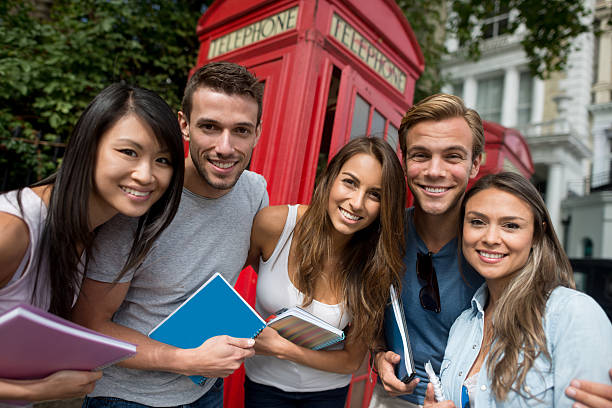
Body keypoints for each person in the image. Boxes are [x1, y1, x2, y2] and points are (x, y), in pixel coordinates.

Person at [72, 62, 269, 408]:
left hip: (205, 390)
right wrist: (188, 360)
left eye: (240, 130)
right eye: (210, 127)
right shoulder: (141, 199)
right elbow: (90, 324)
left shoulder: (255, 193)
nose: (225, 147)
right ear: (184, 125)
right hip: (128, 397)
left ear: (257, 133)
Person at [0, 83, 185, 403]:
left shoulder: (97, 232)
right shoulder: (13, 230)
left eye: (163, 160)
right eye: (129, 152)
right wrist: (37, 391)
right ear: (89, 146)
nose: (146, 175)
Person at [425, 172, 612, 407]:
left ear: (536, 235)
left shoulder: (572, 314)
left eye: (510, 225)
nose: (491, 238)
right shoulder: (463, 324)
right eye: (477, 222)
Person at [244, 137, 407, 407]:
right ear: (330, 178)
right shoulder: (275, 225)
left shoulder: (374, 265)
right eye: (350, 182)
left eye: (375, 194)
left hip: (328, 395)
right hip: (263, 387)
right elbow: (226, 287)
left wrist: (284, 349)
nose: (356, 203)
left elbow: (350, 361)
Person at [370, 93, 485, 407]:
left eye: (452, 156)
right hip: (391, 400)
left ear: (475, 163)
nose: (435, 171)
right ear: (405, 161)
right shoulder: (382, 235)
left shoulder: (494, 248)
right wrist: (379, 355)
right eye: (420, 155)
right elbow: (365, 316)